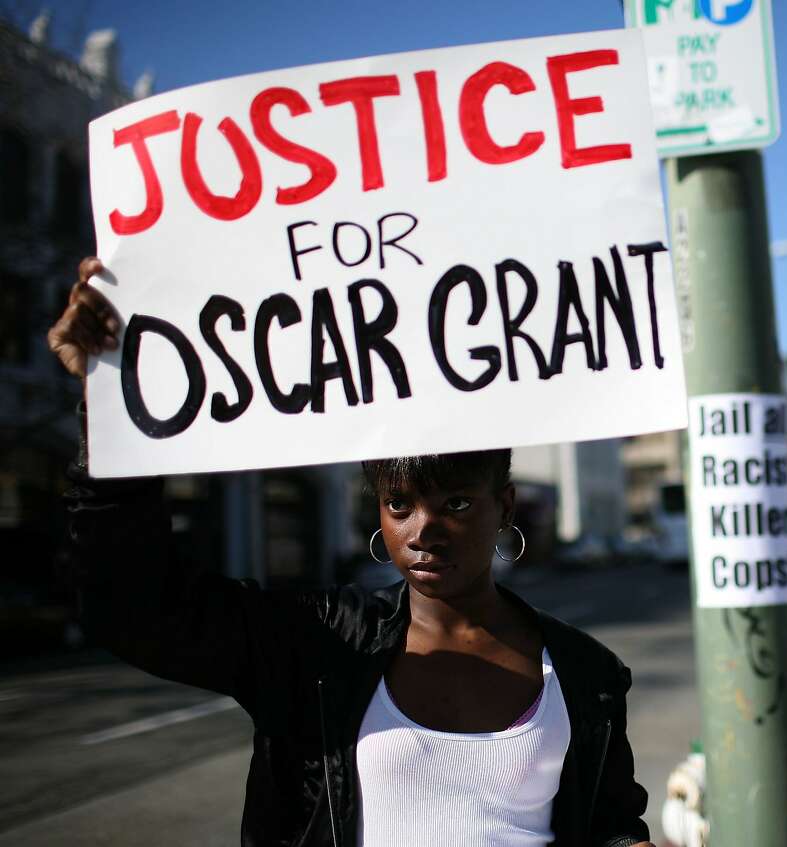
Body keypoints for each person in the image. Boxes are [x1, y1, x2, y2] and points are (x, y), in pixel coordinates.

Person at [48, 258, 654, 847]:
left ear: (506, 506)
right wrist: (108, 407)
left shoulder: (585, 674)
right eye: (400, 506)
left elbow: (607, 823)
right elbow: (134, 605)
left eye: (458, 505)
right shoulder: (318, 646)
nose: (425, 530)